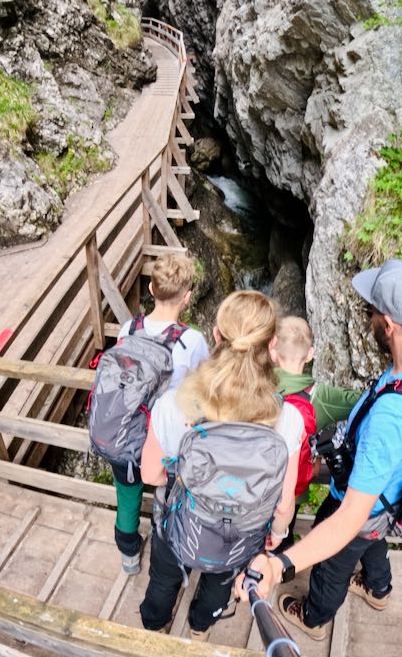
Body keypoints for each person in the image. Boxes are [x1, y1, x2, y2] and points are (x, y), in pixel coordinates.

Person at [238, 259, 402, 641]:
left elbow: (348, 521)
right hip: (393, 495)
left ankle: (314, 616)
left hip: (365, 506)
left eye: (371, 310)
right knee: (373, 540)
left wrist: (282, 565)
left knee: (332, 567)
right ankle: (379, 588)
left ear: (388, 325)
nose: (368, 316)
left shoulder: (392, 418)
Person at [138, 291, 303, 641]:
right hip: (239, 537)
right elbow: (285, 503)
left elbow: (150, 474)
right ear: (272, 347)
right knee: (219, 583)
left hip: (180, 525)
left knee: (164, 578)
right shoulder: (286, 419)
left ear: (215, 336)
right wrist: (276, 535)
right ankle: (200, 628)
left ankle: (154, 628)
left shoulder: (174, 404)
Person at [111, 253, 209, 575]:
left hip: (125, 431)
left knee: (127, 496)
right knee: (170, 494)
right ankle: (169, 552)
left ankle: (128, 555)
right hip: (167, 438)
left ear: (151, 288)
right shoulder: (192, 341)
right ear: (188, 297)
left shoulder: (128, 328)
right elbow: (202, 385)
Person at [269, 316, 362, 552]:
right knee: (282, 535)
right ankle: (280, 564)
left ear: (272, 348)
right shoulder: (321, 397)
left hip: (256, 486)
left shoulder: (256, 386)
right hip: (293, 491)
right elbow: (361, 402)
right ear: (310, 354)